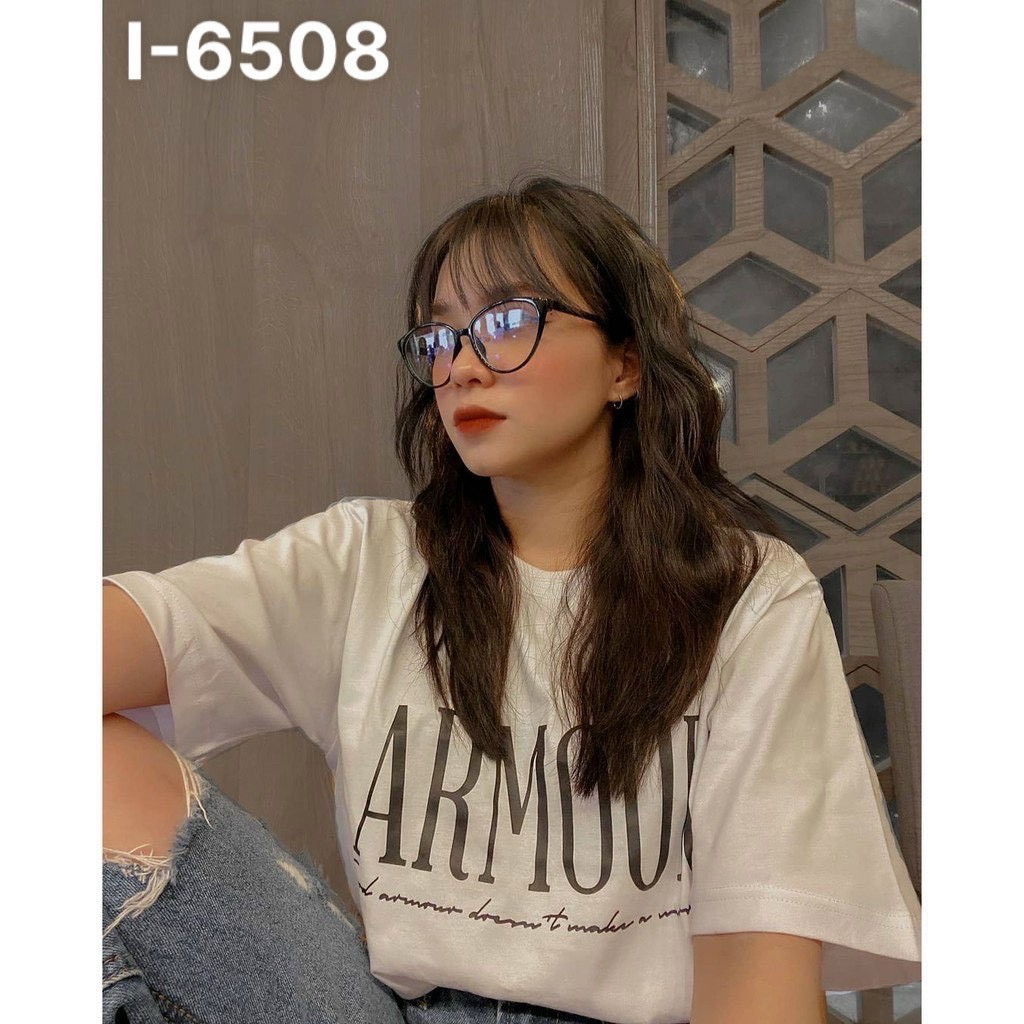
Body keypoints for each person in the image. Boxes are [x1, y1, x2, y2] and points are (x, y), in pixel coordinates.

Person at [102, 174, 922, 1024]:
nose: (460, 367)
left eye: (505, 322)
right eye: (440, 337)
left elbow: (757, 977)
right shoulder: (366, 562)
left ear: (625, 363)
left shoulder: (746, 596)